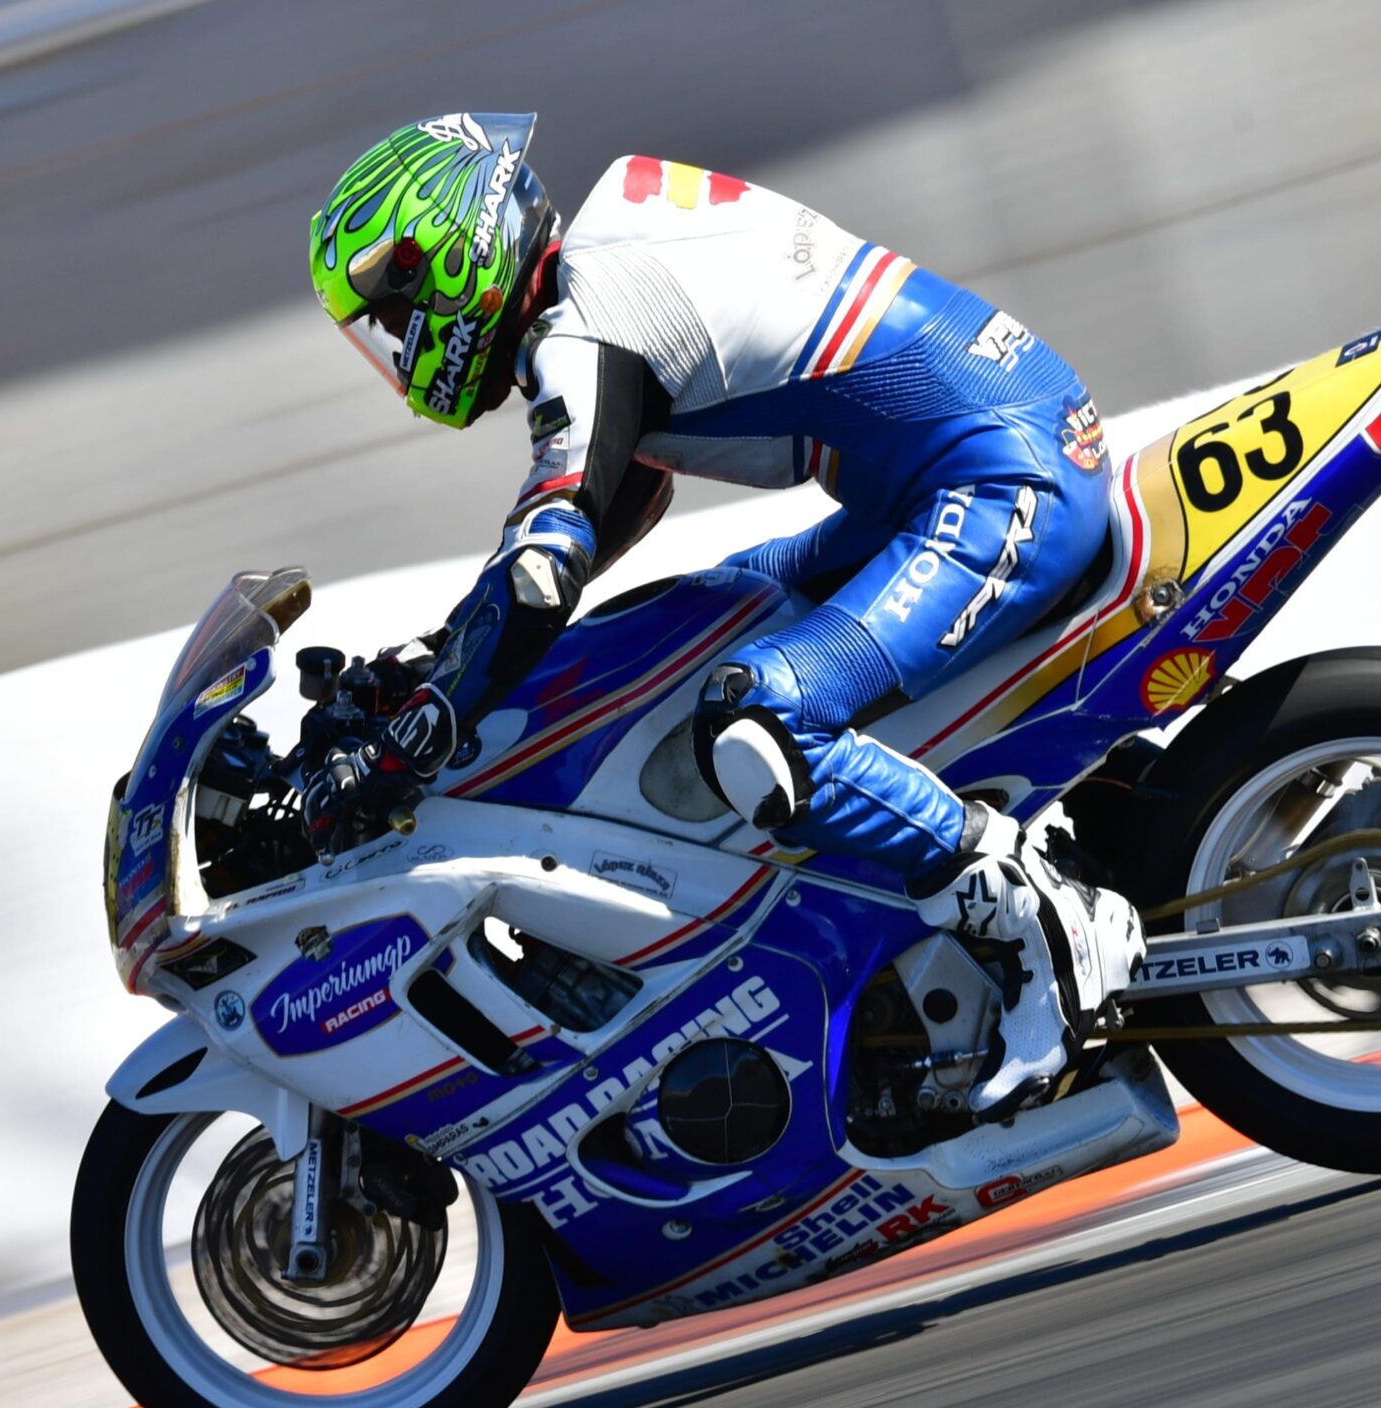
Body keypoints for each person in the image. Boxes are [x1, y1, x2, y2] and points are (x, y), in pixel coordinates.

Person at [306, 113, 1141, 1113]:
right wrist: (439, 657)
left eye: (396, 315)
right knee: (718, 609)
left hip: (1001, 484)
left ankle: (1034, 917)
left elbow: (542, 570)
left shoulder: (586, 328)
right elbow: (618, 498)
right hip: (954, 472)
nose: (399, 346)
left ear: (452, 255)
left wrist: (414, 737)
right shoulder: (600, 279)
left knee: (757, 711)